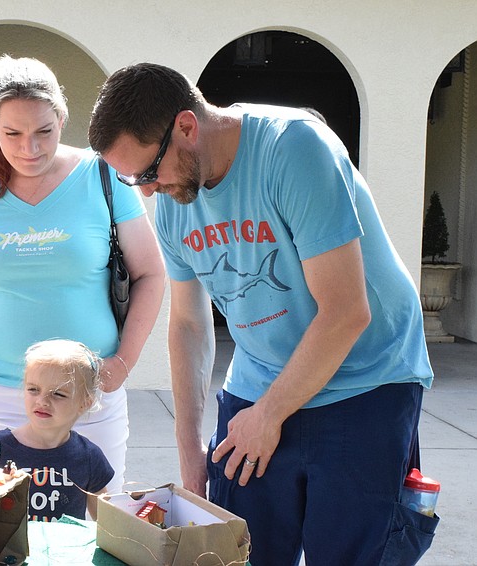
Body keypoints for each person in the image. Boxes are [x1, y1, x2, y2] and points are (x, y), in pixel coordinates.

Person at [88, 63, 435, 566]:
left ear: (186, 126)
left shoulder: (294, 149)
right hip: (258, 380)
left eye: (147, 172)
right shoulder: (174, 200)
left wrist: (270, 415)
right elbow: (188, 325)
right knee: (239, 554)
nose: (144, 190)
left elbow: (345, 312)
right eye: (130, 179)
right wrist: (191, 451)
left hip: (365, 380)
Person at [0, 55, 165, 494]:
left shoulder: (103, 174)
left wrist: (124, 362)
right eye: (12, 133)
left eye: (43, 132)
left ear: (62, 118)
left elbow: (150, 273)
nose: (29, 149)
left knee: (95, 525)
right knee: (0, 531)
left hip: (87, 396)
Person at [0, 339, 114, 521]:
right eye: (33, 389)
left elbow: (107, 521)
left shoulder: (88, 456)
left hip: (67, 548)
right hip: (11, 549)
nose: (42, 401)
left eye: (58, 394)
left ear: (85, 403)